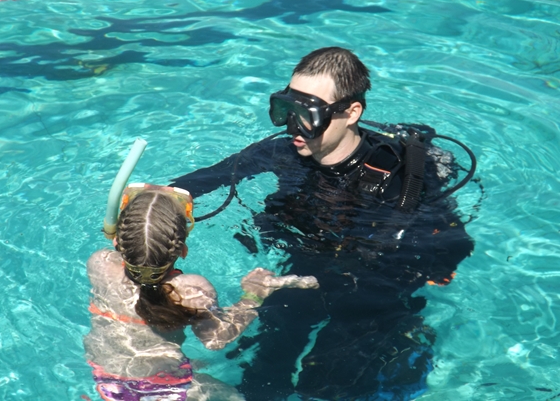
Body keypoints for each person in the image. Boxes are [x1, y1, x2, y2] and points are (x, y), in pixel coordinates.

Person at [169, 47, 476, 400]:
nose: (293, 127)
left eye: (309, 115)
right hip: (303, 267)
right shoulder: (284, 153)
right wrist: (155, 200)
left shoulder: (398, 174)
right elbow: (206, 179)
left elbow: (452, 242)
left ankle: (405, 336)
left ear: (351, 112)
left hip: (370, 284)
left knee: (330, 384)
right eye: (287, 110)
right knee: (265, 371)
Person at [83, 184, 319, 401]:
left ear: (116, 241)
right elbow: (217, 339)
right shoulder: (191, 289)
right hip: (166, 387)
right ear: (183, 250)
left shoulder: (99, 264)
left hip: (107, 380)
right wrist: (253, 295)